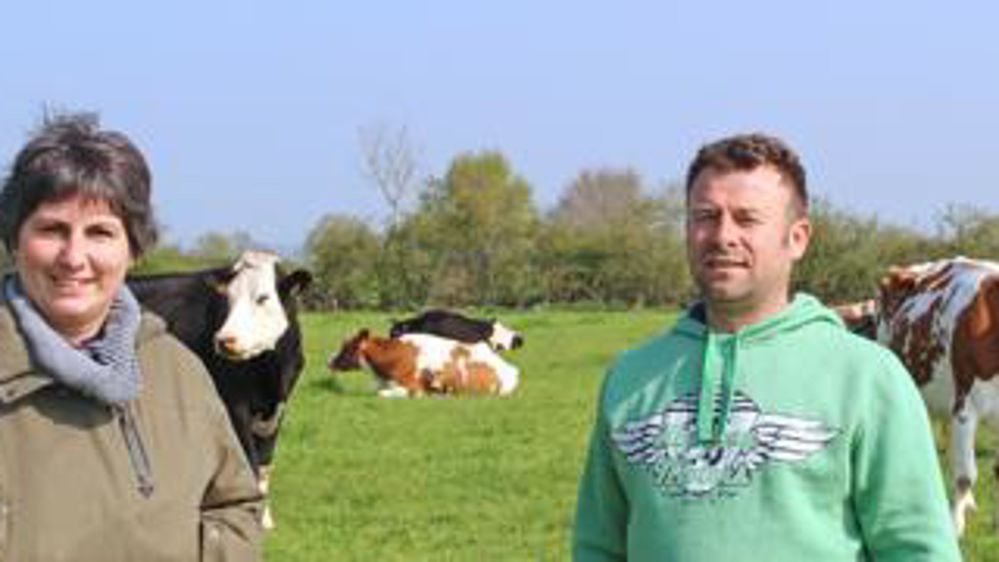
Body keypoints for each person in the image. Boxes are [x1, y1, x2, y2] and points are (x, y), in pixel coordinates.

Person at [572, 133, 961, 561]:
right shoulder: (631, 377)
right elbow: (598, 546)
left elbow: (918, 549)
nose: (722, 236)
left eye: (747, 218)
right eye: (705, 216)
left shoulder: (867, 377)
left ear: (797, 238)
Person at [0, 113, 263, 561]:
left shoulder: (178, 370)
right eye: (51, 230)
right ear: (14, 241)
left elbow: (234, 504)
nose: (74, 257)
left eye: (100, 232)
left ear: (134, 249)